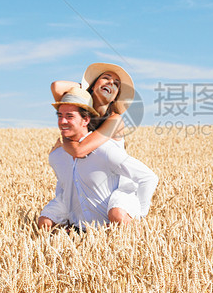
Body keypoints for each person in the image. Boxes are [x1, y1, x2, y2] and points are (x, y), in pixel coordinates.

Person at [37, 88, 157, 231]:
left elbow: (149, 177)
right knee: (44, 224)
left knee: (118, 216)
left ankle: (124, 228)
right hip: (78, 216)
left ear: (85, 120)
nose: (62, 121)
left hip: (109, 214)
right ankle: (76, 232)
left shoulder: (105, 150)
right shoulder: (57, 155)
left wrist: (140, 215)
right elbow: (64, 186)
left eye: (69, 116)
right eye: (60, 115)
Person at [50, 62, 134, 158]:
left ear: (115, 98)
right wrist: (87, 87)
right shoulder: (80, 111)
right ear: (93, 85)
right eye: (106, 78)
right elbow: (56, 86)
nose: (110, 82)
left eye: (115, 84)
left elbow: (79, 150)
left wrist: (63, 140)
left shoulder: (115, 120)